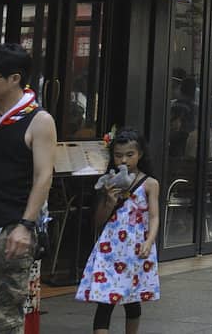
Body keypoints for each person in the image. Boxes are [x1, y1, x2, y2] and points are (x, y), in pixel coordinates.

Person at [0, 43, 56, 334]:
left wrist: (25, 226)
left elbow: (43, 176)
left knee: (1, 316)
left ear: (14, 78)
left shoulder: (38, 121)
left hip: (9, 228)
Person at [76, 128, 160, 331]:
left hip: (136, 248)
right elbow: (99, 221)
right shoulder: (109, 183)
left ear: (140, 154)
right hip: (110, 248)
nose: (123, 160)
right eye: (118, 155)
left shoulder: (150, 184)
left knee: (132, 300)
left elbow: (154, 216)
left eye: (129, 155)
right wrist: (109, 201)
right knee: (104, 302)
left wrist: (149, 242)